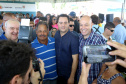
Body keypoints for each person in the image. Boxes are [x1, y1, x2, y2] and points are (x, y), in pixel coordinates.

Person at [78, 15, 106, 84]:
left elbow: (104, 62)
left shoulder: (98, 39)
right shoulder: (79, 37)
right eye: (81, 25)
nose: (83, 27)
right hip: (80, 77)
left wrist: (98, 78)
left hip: (93, 79)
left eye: (86, 25)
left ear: (91, 25)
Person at [55, 14, 79, 84]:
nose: (63, 25)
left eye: (65, 23)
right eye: (61, 23)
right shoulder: (56, 34)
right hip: (56, 73)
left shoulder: (74, 38)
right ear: (57, 24)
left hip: (67, 74)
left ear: (69, 23)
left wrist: (71, 77)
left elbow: (75, 59)